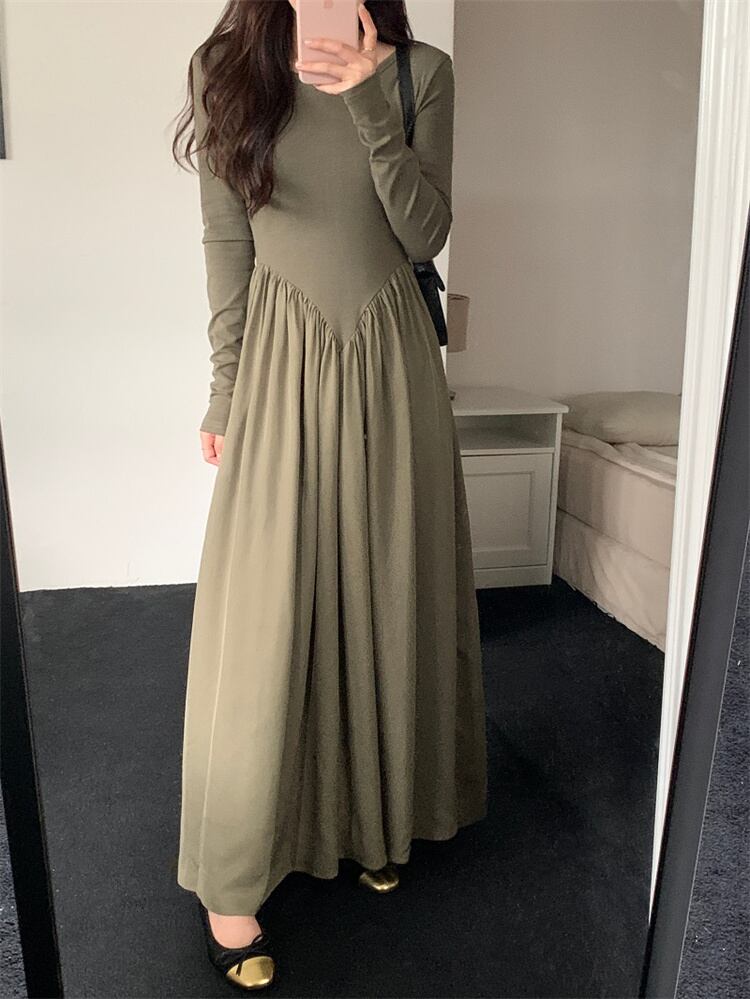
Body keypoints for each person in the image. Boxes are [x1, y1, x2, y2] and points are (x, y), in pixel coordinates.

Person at [171, 0, 487, 989]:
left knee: (389, 583)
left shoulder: (421, 71)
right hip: (281, 360)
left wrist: (368, 105)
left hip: (393, 358)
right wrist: (225, 387)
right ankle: (231, 888)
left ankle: (374, 820)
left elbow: (425, 232)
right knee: (267, 613)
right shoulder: (226, 66)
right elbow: (228, 242)